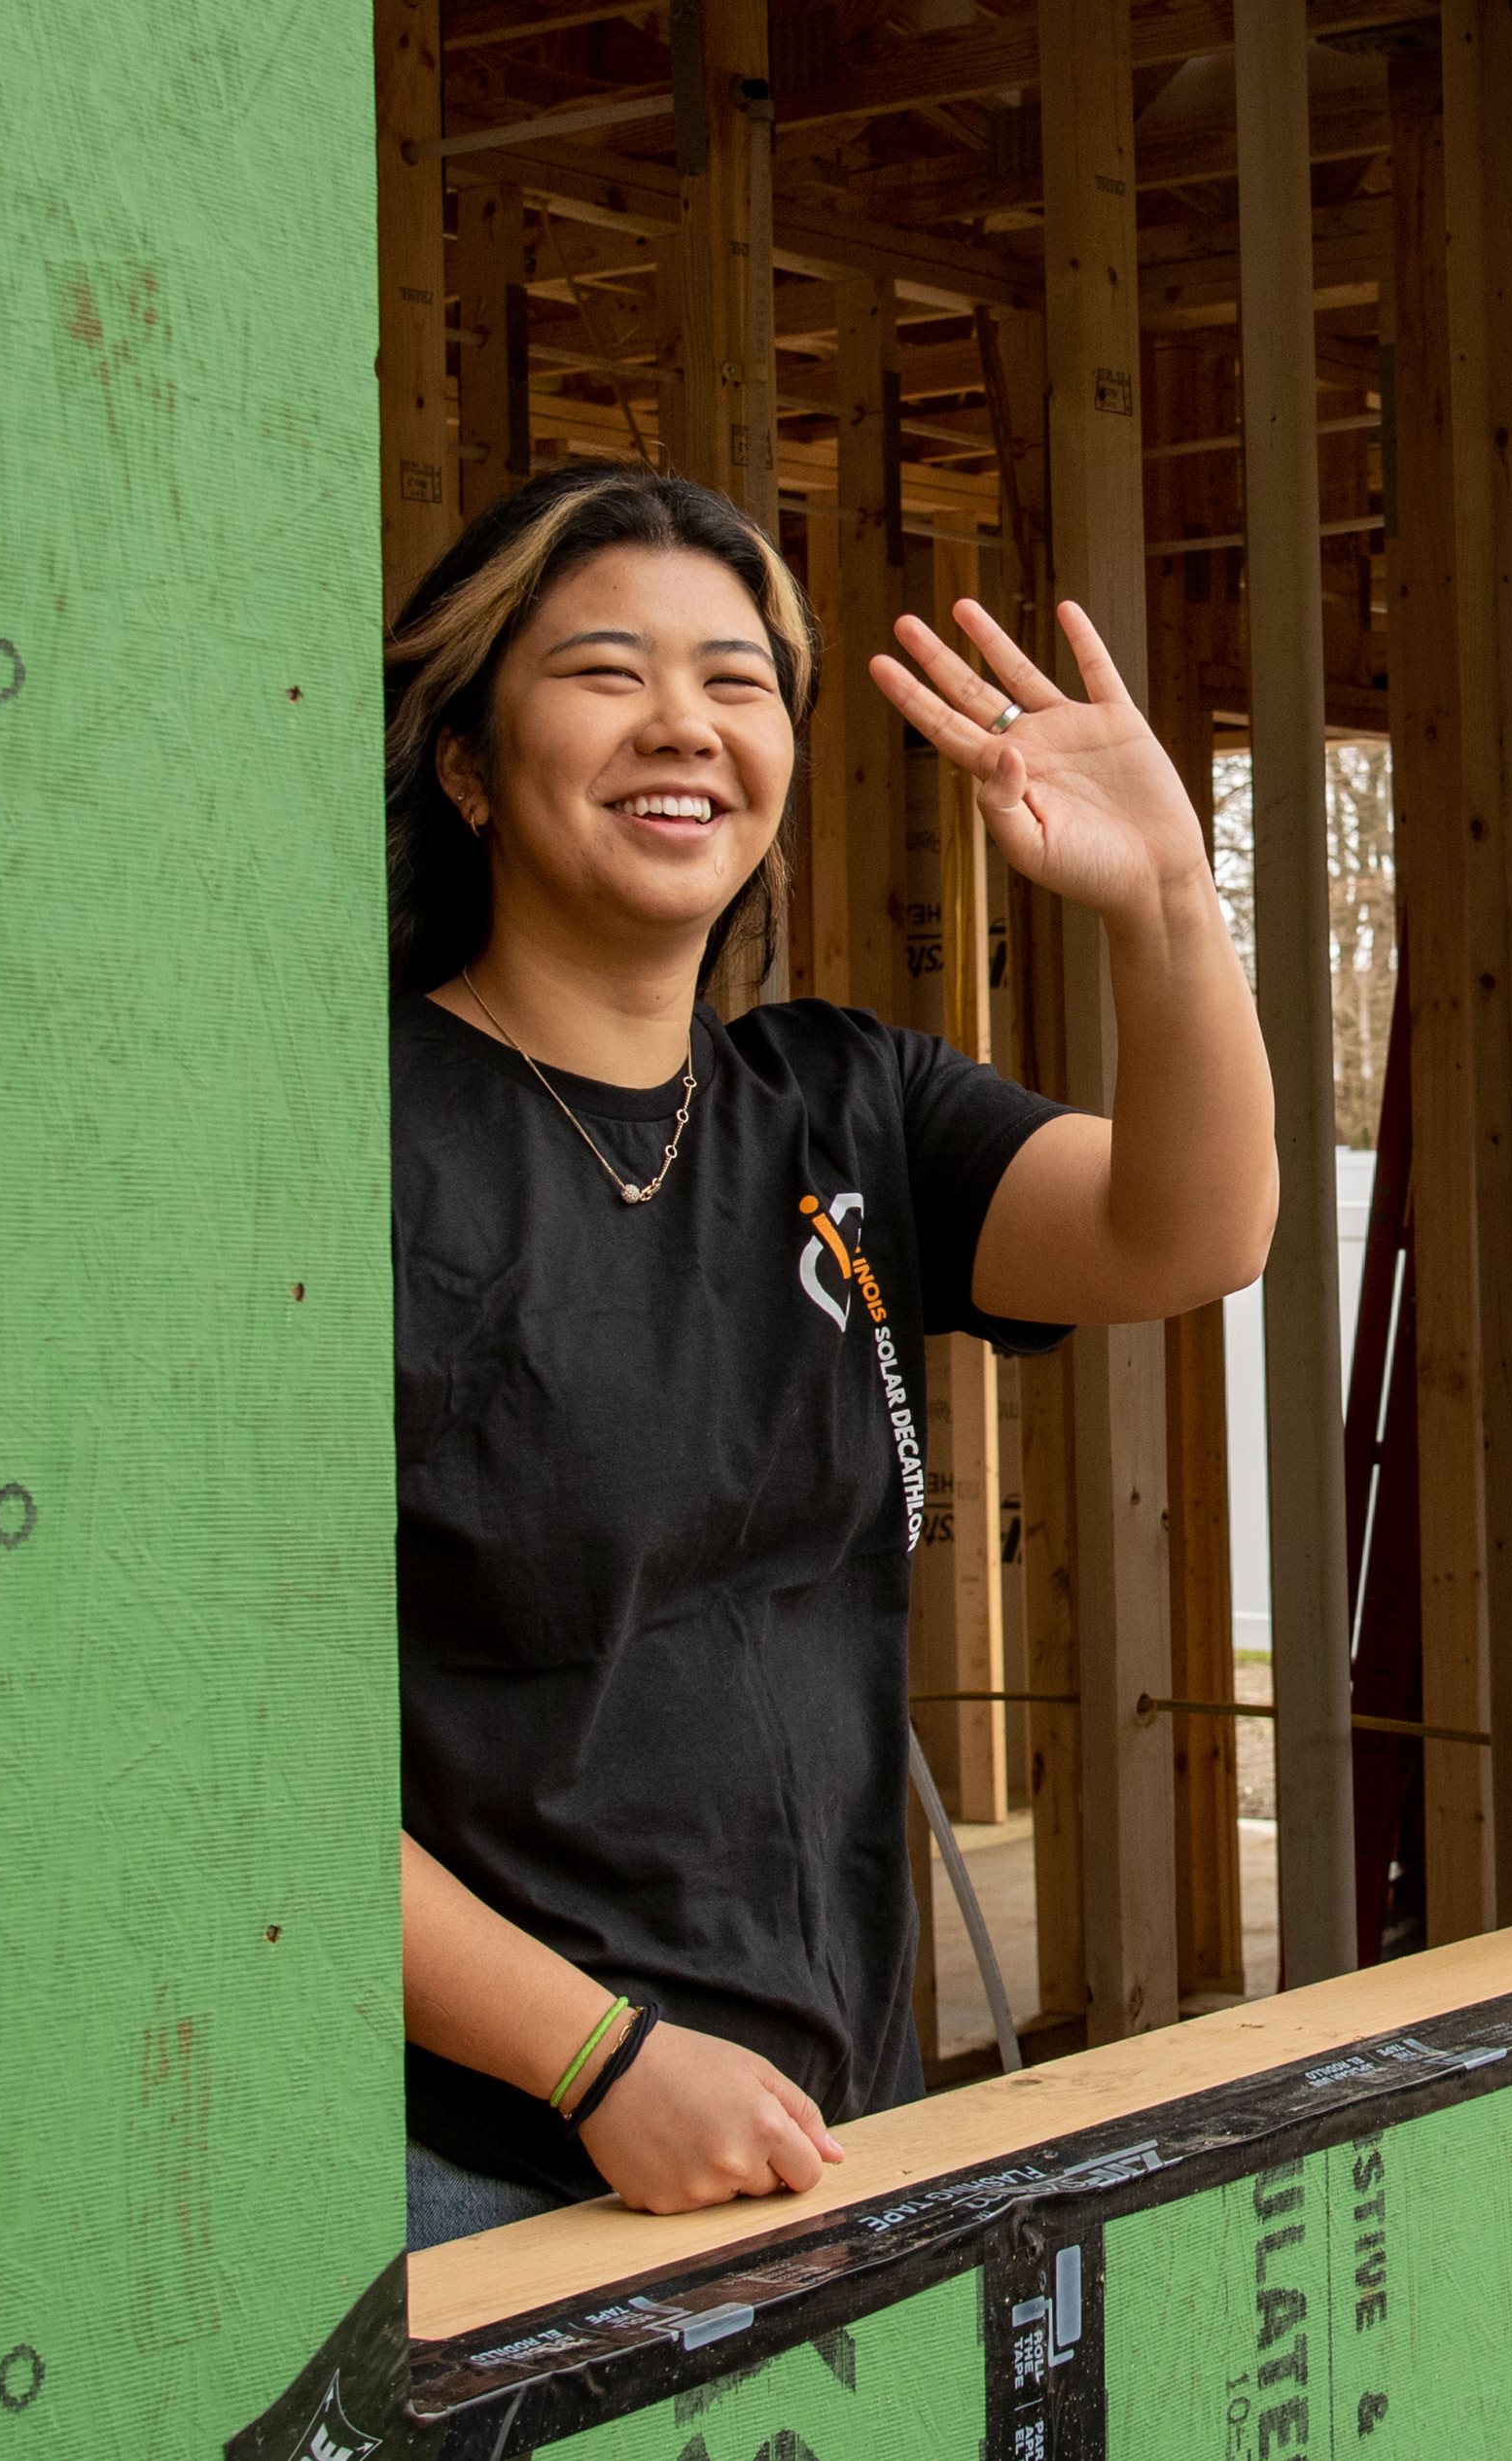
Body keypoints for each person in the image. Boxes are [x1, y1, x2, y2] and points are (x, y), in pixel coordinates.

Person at [380, 463, 1269, 2250]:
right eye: (605, 672)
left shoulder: (841, 1104)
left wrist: (1169, 901)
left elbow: (1187, 1231)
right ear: (467, 763)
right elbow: (235, 1750)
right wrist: (602, 2065)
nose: (682, 725)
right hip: (491, 2178)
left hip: (819, 2133)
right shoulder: (356, 1142)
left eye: (734, 681)